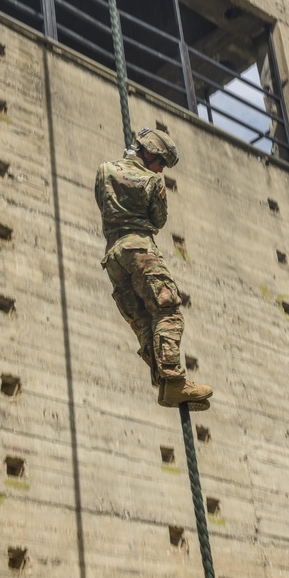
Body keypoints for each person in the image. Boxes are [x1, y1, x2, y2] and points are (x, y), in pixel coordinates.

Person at [95, 127, 213, 410]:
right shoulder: (151, 182)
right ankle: (174, 381)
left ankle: (163, 381)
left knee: (142, 322)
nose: (161, 169)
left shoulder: (104, 170)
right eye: (160, 161)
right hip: (140, 250)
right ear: (148, 151)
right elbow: (158, 221)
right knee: (168, 311)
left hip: (113, 256)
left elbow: (102, 203)